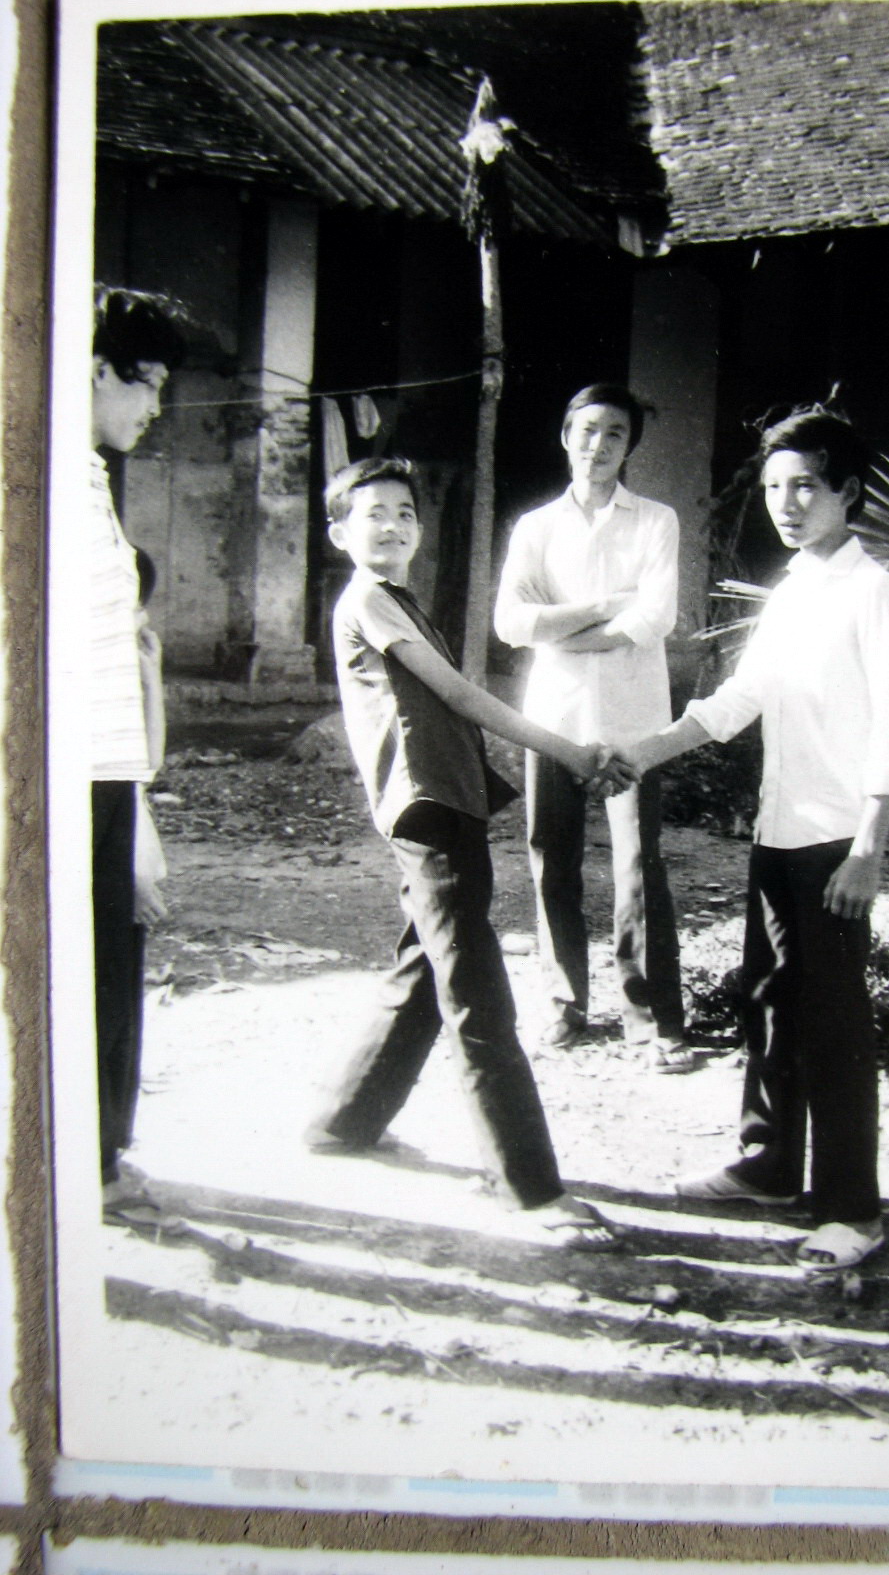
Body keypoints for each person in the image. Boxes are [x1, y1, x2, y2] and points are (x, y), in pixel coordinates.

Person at [612, 404, 889, 1271]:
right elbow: (737, 700)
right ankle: (771, 1165)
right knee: (767, 999)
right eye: (776, 488)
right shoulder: (792, 593)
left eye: (806, 487)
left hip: (836, 843)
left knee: (834, 1021)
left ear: (848, 492)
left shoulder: (873, 592)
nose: (786, 505)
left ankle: (854, 1211)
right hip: (778, 831)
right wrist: (640, 752)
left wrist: (868, 851)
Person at [311, 456, 621, 1249]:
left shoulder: (400, 601)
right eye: (372, 513)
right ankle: (529, 1187)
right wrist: (570, 750)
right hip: (428, 810)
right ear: (339, 533)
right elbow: (458, 695)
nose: (392, 525)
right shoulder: (369, 600)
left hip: (446, 801)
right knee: (477, 992)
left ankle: (343, 1121)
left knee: (426, 966)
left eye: (404, 512)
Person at [493, 384, 689, 1068]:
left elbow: (656, 617)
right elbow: (511, 622)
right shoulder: (536, 528)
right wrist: (607, 606)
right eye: (587, 429)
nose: (598, 445)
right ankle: (563, 1003)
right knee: (553, 857)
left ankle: (653, 1018)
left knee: (639, 862)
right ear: (565, 435)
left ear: (629, 446)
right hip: (555, 717)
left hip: (636, 718)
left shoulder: (656, 521)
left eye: (615, 434)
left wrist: (559, 631)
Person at [90, 286, 186, 1219]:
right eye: (145, 383)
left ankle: (98, 1156)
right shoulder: (47, 485)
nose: (156, 406)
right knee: (90, 971)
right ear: (95, 372)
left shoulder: (89, 482)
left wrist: (139, 801)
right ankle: (87, 1164)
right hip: (77, 780)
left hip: (109, 776)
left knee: (112, 964)